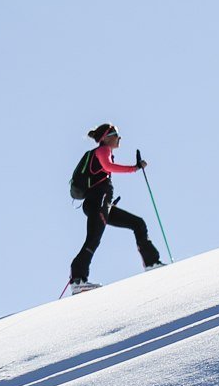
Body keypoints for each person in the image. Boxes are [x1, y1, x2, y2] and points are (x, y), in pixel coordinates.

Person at [68, 124, 163, 293]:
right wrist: (134, 168)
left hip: (100, 203)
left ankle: (152, 262)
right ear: (106, 137)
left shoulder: (102, 152)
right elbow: (109, 167)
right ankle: (78, 279)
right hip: (99, 202)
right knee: (93, 239)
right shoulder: (103, 150)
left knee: (137, 223)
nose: (119, 138)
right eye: (116, 135)